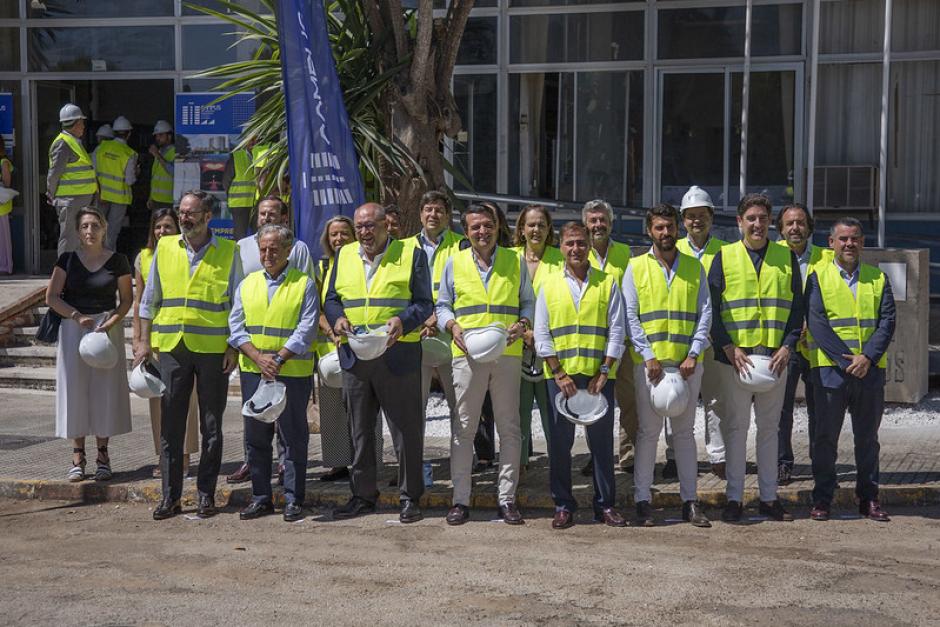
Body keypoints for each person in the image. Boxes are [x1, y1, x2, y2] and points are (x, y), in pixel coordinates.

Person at [136, 190, 243, 520]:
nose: (184, 218)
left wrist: (233, 347)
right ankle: (170, 497)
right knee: (171, 427)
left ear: (208, 216)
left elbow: (238, 305)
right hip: (172, 349)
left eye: (191, 213)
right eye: (181, 212)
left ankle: (206, 495)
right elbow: (149, 299)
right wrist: (142, 340)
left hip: (213, 351)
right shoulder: (166, 248)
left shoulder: (228, 251)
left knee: (211, 427)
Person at [324, 203, 433, 523]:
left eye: (370, 225)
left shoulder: (411, 254)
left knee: (405, 432)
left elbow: (424, 303)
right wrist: (338, 318)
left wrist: (403, 320)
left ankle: (410, 497)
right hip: (356, 357)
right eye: (360, 227)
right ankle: (362, 496)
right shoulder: (344, 255)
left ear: (388, 225)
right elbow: (331, 298)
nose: (364, 232)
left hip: (397, 356)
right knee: (359, 432)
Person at [437, 203, 534, 526]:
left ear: (497, 227)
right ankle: (460, 500)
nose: (482, 231)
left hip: (506, 353)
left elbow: (528, 301)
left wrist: (523, 322)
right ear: (466, 231)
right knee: (463, 428)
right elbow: (443, 305)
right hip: (467, 356)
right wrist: (452, 327)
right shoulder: (455, 262)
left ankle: (506, 500)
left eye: (487, 225)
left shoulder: (514, 260)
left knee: (510, 429)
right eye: (475, 227)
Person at [709, 193, 803, 523]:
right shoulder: (724, 256)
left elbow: (797, 309)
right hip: (736, 359)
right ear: (739, 222)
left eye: (763, 218)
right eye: (751, 218)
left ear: (770, 222)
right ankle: (734, 498)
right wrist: (727, 347)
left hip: (774, 359)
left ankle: (768, 498)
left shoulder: (785, 257)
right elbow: (712, 309)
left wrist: (788, 346)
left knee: (769, 430)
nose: (757, 224)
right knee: (735, 428)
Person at [625, 204, 712, 528]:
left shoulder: (693, 267)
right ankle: (643, 501)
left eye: (670, 227)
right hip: (650, 368)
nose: (665, 233)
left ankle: (690, 502)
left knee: (685, 435)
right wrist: (648, 356)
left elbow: (705, 313)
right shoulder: (635, 268)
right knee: (647, 434)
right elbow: (630, 315)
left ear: (678, 228)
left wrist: (693, 353)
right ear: (649, 231)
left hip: (687, 366)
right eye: (659, 228)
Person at [536, 221, 626, 529]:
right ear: (560, 247)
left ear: (589, 246)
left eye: (581, 243)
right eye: (570, 243)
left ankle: (605, 505)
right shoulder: (548, 285)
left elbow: (617, 330)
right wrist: (558, 372)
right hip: (561, 378)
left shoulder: (607, 282)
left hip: (597, 377)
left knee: (601, 444)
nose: (576, 249)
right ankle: (563, 505)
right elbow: (541, 334)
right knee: (560, 444)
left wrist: (605, 371)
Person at [807, 218, 896, 522]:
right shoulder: (818, 276)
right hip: (831, 372)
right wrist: (847, 361)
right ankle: (822, 499)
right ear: (831, 242)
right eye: (842, 239)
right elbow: (817, 323)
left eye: (854, 239)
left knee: (868, 439)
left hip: (869, 373)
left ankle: (869, 498)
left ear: (862, 242)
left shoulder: (878, 278)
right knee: (825, 439)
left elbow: (887, 322)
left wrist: (867, 357)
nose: (849, 244)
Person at [230, 224, 319, 522]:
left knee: (293, 436)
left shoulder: (304, 283)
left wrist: (278, 359)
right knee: (256, 436)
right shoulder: (247, 284)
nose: (268, 254)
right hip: (254, 371)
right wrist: (257, 357)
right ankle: (261, 497)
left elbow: (306, 328)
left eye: (275, 249)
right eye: (264, 249)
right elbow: (236, 327)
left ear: (288, 250)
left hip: (291, 370)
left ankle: (293, 499)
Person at [46, 208, 132, 482]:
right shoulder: (67, 260)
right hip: (75, 328)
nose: (89, 231)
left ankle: (103, 455)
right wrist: (75, 315)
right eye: (84, 226)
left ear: (104, 228)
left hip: (106, 328)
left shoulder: (118, 261)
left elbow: (127, 299)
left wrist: (113, 320)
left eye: (95, 225)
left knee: (104, 390)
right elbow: (51, 297)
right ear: (77, 230)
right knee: (76, 389)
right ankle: (77, 455)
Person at [315, 215, 384, 482]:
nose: (339, 238)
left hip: (363, 346)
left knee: (366, 408)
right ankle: (338, 463)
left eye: (345, 233)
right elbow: (317, 308)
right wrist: (332, 330)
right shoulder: (322, 268)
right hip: (330, 350)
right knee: (334, 410)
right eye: (334, 234)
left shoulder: (362, 263)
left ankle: (369, 461)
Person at [132, 208, 199, 478]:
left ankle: (184, 457)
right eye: (158, 227)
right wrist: (138, 340)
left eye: (168, 226)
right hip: (156, 341)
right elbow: (139, 302)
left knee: (186, 401)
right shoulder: (143, 257)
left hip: (183, 338)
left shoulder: (186, 252)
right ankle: (164, 456)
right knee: (159, 402)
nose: (162, 231)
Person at [668, 185, 728, 479]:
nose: (696, 221)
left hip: (715, 339)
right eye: (690, 216)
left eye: (702, 215)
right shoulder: (672, 250)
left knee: (716, 399)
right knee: (674, 397)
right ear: (683, 220)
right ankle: (673, 455)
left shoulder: (726, 252)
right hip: (680, 339)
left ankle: (718, 456)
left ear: (711, 218)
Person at [403, 191, 464, 459]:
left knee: (459, 406)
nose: (433, 215)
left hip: (451, 337)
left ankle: (462, 460)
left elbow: (465, 292)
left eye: (439, 210)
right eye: (428, 209)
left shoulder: (462, 246)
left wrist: (436, 319)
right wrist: (419, 320)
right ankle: (413, 464)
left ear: (447, 216)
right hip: (415, 337)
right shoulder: (403, 247)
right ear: (420, 214)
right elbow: (399, 293)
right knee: (414, 406)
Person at [775, 202, 828, 485]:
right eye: (789, 224)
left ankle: (820, 463)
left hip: (819, 345)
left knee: (820, 407)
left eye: (800, 223)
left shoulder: (826, 257)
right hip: (786, 344)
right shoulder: (772, 257)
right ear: (780, 229)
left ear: (809, 227)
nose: (795, 228)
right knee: (781, 409)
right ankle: (783, 463)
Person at [580, 199, 635, 475]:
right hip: (590, 343)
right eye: (593, 221)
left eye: (603, 220)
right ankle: (596, 455)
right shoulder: (576, 253)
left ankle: (628, 456)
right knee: (595, 402)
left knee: (629, 401)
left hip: (622, 342)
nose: (598, 225)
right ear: (585, 224)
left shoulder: (626, 254)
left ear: (611, 224)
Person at [512, 204, 563, 464]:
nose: (536, 230)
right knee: (517, 415)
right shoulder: (508, 258)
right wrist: (522, 332)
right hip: (513, 347)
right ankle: (518, 468)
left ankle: (557, 467)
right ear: (521, 229)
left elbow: (565, 303)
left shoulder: (560, 259)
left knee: (551, 413)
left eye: (541, 225)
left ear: (549, 229)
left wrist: (538, 335)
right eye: (530, 224)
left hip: (549, 348)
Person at [47, 104, 99, 255]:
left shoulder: (74, 141)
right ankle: (63, 273)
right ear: (75, 123)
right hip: (70, 200)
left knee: (79, 237)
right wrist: (51, 193)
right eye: (82, 122)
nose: (83, 126)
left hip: (80, 198)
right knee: (69, 237)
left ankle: (75, 271)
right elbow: (55, 172)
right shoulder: (63, 143)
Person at [93, 115, 138, 251]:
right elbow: (130, 180)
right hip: (119, 198)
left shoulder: (101, 148)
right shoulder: (130, 153)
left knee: (97, 228)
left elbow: (92, 172)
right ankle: (108, 263)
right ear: (129, 134)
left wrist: (98, 192)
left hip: (101, 195)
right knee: (112, 232)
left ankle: (93, 258)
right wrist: (136, 172)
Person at [223, 136, 261, 240]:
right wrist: (231, 196)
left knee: (258, 234)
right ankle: (239, 256)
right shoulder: (236, 156)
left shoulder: (263, 155)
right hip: (239, 204)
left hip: (257, 203)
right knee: (240, 236)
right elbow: (226, 181)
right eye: (251, 139)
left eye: (256, 139)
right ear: (245, 141)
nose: (254, 142)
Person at [147, 120, 175, 211]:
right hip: (156, 200)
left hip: (168, 201)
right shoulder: (158, 152)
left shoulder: (175, 152)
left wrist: (157, 155)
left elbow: (173, 171)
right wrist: (150, 197)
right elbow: (155, 177)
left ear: (169, 136)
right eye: (156, 135)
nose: (157, 138)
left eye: (161, 135)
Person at [0, 135, 13, 274]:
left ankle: (4, 266)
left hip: (1, 206)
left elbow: (7, 182)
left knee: (3, 238)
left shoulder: (3, 162)